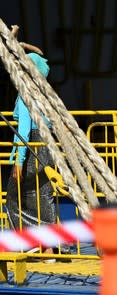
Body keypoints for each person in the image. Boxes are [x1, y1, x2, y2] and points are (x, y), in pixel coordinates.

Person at [6, 52, 56, 260]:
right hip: (46, 147)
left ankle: (32, 244)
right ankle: (49, 247)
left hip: (31, 150)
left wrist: (18, 161)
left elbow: (23, 131)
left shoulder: (26, 93)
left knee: (15, 198)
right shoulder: (44, 93)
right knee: (43, 195)